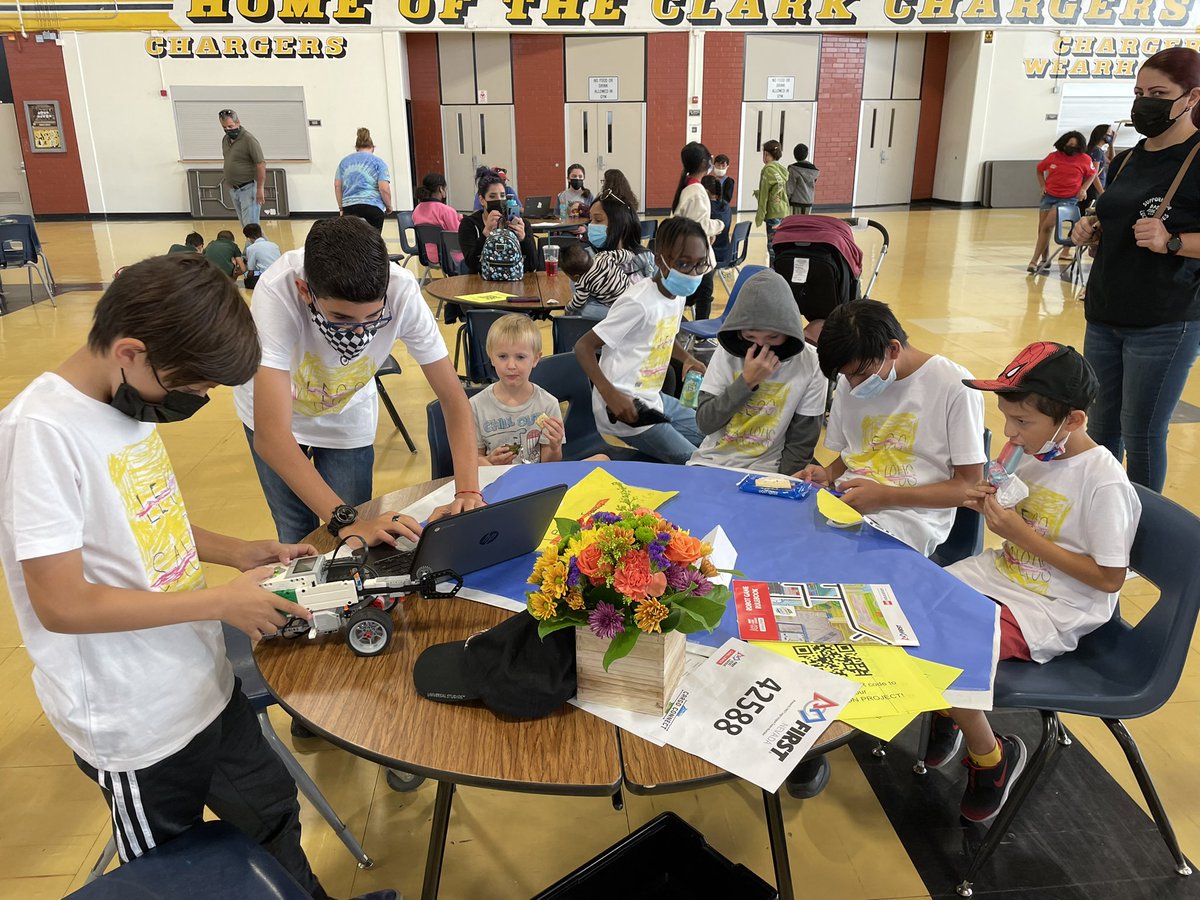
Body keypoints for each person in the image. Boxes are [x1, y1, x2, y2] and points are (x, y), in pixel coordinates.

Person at [0, 254, 401, 900]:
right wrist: (219, 602)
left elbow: (147, 522)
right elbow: (61, 604)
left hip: (203, 687)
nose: (198, 400)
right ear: (130, 351)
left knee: (272, 814)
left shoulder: (123, 407)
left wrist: (238, 552)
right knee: (180, 875)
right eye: (192, 387)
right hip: (135, 723)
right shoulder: (40, 433)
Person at [924, 342, 1140, 824]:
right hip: (1002, 575)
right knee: (911, 607)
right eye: (1007, 418)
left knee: (947, 648)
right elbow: (1013, 511)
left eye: (1023, 422)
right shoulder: (1034, 450)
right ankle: (949, 710)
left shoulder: (1102, 482)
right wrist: (988, 501)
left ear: (1074, 421)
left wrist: (1022, 535)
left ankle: (992, 757)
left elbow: (1109, 580)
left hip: (1052, 603)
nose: (1010, 432)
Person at [232, 216, 483, 546]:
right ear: (305, 291)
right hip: (273, 414)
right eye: (341, 318)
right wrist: (344, 521)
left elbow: (454, 400)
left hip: (346, 413)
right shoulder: (277, 289)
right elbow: (271, 436)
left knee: (357, 530)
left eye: (372, 316)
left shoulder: (401, 290)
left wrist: (467, 492)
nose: (361, 331)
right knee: (298, 534)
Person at [1072, 47, 1200, 492]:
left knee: (1142, 432)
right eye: (1140, 92)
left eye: (1159, 93)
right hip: (1106, 311)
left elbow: (1172, 238)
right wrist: (1092, 227)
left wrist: (1175, 242)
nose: (1146, 101)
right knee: (1101, 425)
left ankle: (1144, 540)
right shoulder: (1128, 157)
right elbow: (1114, 219)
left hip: (1165, 319)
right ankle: (1101, 518)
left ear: (1191, 97)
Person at [794, 299, 986, 557]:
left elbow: (969, 487)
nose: (853, 385)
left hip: (910, 518)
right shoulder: (851, 381)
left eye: (860, 375)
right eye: (846, 376)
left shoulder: (955, 386)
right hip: (848, 501)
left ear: (893, 349)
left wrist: (886, 496)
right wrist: (827, 474)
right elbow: (858, 452)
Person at [575, 216, 708, 465]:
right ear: (660, 260)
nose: (693, 273)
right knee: (696, 462)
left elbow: (663, 335)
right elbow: (583, 346)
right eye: (684, 264)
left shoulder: (677, 295)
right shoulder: (637, 303)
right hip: (623, 409)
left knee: (713, 438)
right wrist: (610, 395)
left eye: (700, 264)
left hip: (652, 397)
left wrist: (686, 357)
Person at [689, 269, 826, 473]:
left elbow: (801, 442)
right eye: (751, 337)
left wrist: (782, 484)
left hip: (769, 469)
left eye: (773, 338)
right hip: (713, 462)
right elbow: (706, 423)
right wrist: (746, 382)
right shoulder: (726, 354)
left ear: (789, 331)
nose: (761, 346)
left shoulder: (811, 362)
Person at [471, 314, 566, 465]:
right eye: (502, 356)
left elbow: (549, 465)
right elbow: (473, 459)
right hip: (496, 482)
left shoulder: (548, 404)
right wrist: (489, 462)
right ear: (491, 357)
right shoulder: (475, 406)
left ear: (535, 359)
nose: (511, 365)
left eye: (520, 357)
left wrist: (554, 447)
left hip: (534, 481)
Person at [671, 142, 725, 320]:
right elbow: (699, 226)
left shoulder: (687, 188)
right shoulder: (696, 191)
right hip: (696, 254)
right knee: (703, 295)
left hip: (689, 250)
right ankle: (702, 337)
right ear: (705, 162)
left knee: (697, 294)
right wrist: (719, 225)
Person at [1029, 131, 1096, 273]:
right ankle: (1045, 258)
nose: (1072, 147)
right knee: (1042, 228)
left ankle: (1034, 260)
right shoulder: (1053, 157)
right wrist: (1043, 186)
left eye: (1075, 145)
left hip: (1068, 198)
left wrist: (1083, 189)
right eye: (1069, 144)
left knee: (1048, 225)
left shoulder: (1084, 159)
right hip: (1049, 195)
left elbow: (1092, 174)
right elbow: (1039, 169)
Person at [459, 168, 537, 275]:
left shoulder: (520, 223)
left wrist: (523, 239)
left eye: (502, 195)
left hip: (515, 279)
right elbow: (471, 263)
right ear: (482, 200)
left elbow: (533, 265)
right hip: (482, 281)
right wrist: (485, 234)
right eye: (492, 196)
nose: (499, 200)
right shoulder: (469, 224)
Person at [334, 127, 392, 233]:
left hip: (350, 208)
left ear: (356, 148)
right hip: (373, 207)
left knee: (352, 241)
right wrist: (388, 206)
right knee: (373, 242)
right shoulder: (379, 163)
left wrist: (341, 208)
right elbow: (384, 188)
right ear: (373, 148)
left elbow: (337, 186)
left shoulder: (344, 162)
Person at [219, 109, 265, 227]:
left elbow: (260, 164)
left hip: (249, 189)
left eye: (230, 126)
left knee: (251, 227)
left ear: (238, 122)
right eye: (224, 127)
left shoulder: (249, 140)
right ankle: (261, 246)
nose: (228, 130)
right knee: (247, 228)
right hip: (234, 190)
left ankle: (265, 246)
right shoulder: (225, 140)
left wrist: (260, 189)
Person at [562, 242, 631, 320]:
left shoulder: (582, 282)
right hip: (630, 291)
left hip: (613, 306)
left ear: (576, 276)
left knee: (582, 309)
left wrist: (568, 307)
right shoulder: (603, 256)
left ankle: (568, 320)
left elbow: (578, 303)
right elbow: (626, 254)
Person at [412, 172, 462, 265]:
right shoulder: (447, 211)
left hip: (427, 255)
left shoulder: (417, 210)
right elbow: (458, 236)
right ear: (441, 189)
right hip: (449, 256)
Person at [754, 139, 790, 266]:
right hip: (784, 211)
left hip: (773, 213)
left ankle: (774, 272)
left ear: (766, 154)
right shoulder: (781, 169)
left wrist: (760, 215)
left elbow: (764, 195)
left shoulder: (767, 170)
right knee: (781, 243)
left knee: (772, 245)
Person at [703, 174, 733, 266]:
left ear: (706, 191)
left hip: (713, 253)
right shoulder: (726, 205)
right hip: (726, 251)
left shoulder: (707, 209)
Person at [242, 223, 281, 290]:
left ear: (248, 238)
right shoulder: (274, 245)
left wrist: (247, 278)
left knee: (247, 276)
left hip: (267, 279)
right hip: (280, 276)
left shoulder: (251, 248)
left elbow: (251, 271)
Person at [1085, 123, 1116, 204]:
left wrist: (1111, 145)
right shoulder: (1097, 151)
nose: (1111, 136)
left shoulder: (1096, 150)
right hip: (1094, 189)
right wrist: (1102, 192)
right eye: (1110, 133)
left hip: (1093, 188)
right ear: (1103, 135)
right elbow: (1094, 174)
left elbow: (1112, 161)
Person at [787, 143, 820, 215]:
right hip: (809, 201)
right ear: (806, 154)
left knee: (796, 223)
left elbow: (790, 187)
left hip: (796, 201)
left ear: (794, 155)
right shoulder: (814, 170)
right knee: (805, 223)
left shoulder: (793, 169)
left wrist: (787, 198)